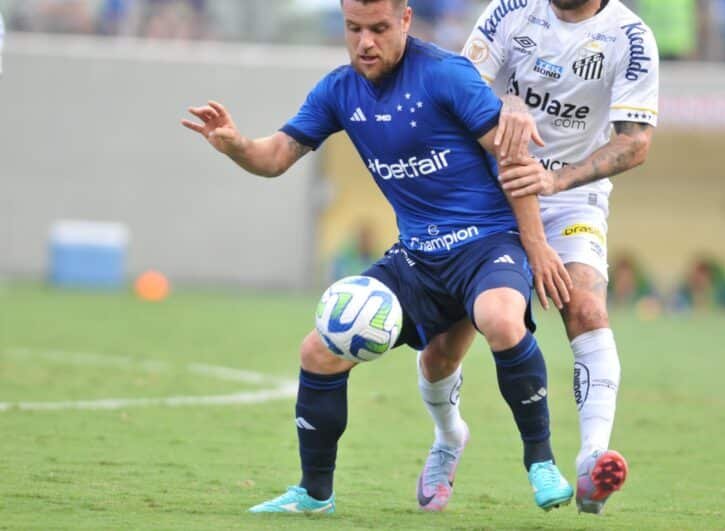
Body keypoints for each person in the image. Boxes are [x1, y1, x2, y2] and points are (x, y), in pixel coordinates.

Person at [182, 0, 574, 515]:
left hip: (487, 242)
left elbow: (512, 154)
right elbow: (275, 157)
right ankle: (315, 493)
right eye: (354, 29)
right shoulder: (337, 91)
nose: (365, 42)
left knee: (500, 319)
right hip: (418, 256)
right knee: (322, 352)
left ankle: (541, 463)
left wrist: (536, 245)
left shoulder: (445, 75)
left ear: (406, 20)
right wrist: (235, 145)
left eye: (379, 29)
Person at [415, 0, 659, 515]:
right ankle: (448, 437)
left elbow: (635, 143)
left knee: (587, 307)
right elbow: (462, 88)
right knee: (441, 351)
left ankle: (592, 461)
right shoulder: (510, 12)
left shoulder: (630, 37)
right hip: (488, 188)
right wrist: (504, 107)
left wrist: (555, 179)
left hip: (571, 195)